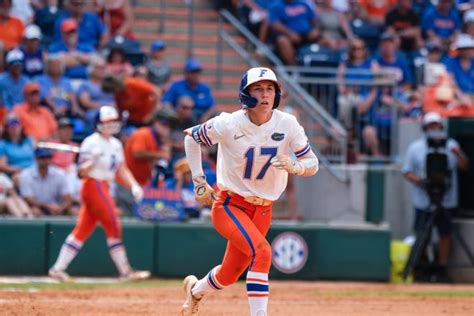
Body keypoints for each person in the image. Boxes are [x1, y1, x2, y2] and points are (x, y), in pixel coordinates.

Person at [180, 67, 319, 316]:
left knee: (229, 274)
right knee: (263, 252)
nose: (265, 95)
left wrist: (296, 167)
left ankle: (194, 291)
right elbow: (191, 138)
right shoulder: (229, 122)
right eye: (258, 88)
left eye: (270, 89)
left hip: (263, 209)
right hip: (230, 204)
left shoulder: (287, 123)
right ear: (246, 94)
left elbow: (312, 163)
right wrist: (199, 181)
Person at [48, 106, 150, 282]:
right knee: (113, 225)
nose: (111, 125)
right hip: (93, 184)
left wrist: (134, 185)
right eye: (107, 122)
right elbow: (81, 172)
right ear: (99, 124)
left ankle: (57, 269)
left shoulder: (116, 144)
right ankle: (125, 272)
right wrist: (91, 161)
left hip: (105, 185)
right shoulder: (91, 142)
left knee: (82, 230)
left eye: (113, 122)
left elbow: (121, 168)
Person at [402, 112, 469, 281]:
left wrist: (458, 154)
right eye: (431, 126)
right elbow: (407, 171)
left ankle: (441, 269)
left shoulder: (452, 145)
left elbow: (464, 166)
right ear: (425, 127)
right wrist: (421, 181)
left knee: (445, 233)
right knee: (421, 234)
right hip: (423, 200)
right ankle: (421, 268)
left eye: (437, 125)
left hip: (446, 200)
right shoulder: (416, 147)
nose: (434, 129)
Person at [18, 148, 74, 216]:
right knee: (35, 211)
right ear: (36, 158)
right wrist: (47, 206)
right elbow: (28, 199)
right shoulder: (26, 174)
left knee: (73, 211)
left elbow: (68, 198)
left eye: (48, 157)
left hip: (57, 207)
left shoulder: (60, 174)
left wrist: (61, 208)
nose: (45, 160)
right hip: (37, 207)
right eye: (42, 157)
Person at [161, 58, 215, 123]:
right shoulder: (176, 86)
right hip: (180, 119)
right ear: (186, 73)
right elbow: (166, 102)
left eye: (197, 72)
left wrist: (205, 118)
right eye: (193, 72)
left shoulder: (205, 88)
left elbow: (212, 107)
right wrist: (173, 114)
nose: (196, 75)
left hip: (200, 119)